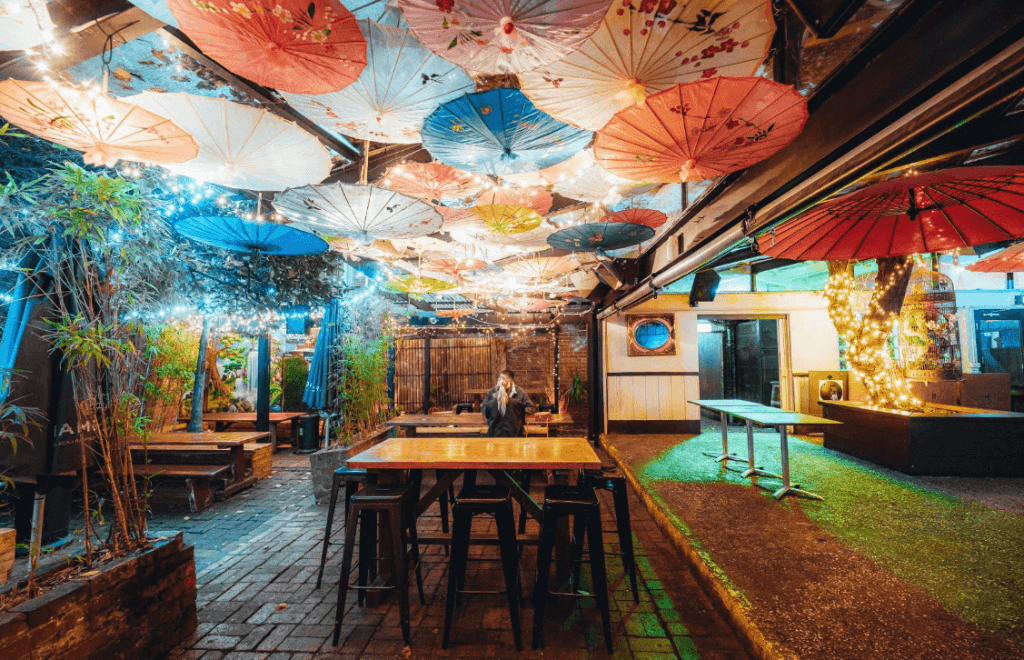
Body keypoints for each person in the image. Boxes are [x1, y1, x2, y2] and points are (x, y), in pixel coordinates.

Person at [481, 370, 534, 437]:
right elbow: (484, 408)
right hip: (496, 429)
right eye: (500, 379)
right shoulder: (492, 391)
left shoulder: (520, 392)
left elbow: (531, 408)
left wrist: (514, 413)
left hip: (513, 429)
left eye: (504, 379)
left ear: (511, 380)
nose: (502, 381)